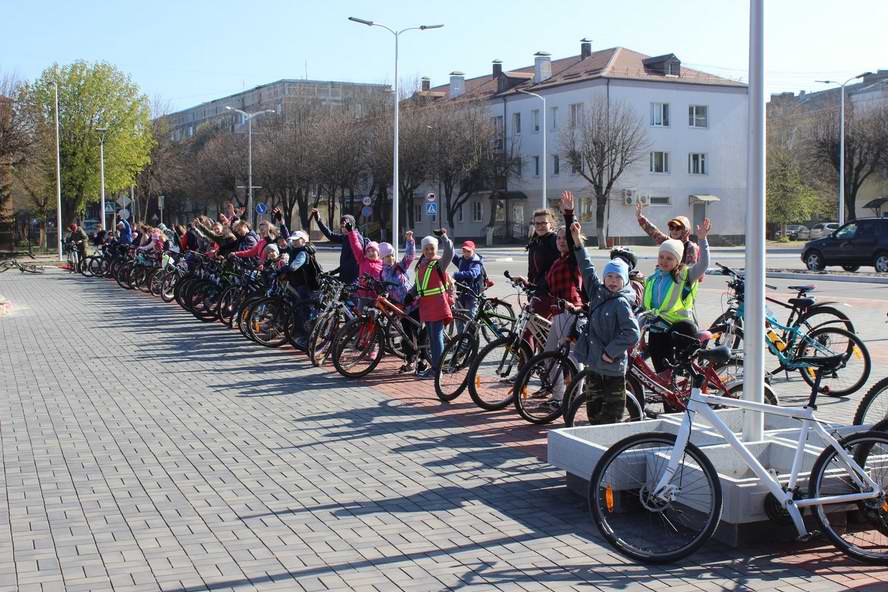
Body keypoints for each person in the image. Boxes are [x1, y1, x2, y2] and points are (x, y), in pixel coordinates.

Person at [570, 221, 641, 425]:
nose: (612, 280)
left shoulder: (621, 303)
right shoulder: (597, 292)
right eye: (609, 276)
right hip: (593, 366)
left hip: (613, 369)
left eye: (617, 277)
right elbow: (586, 267)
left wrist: (610, 353)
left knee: (612, 415)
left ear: (624, 281)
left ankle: (613, 450)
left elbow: (632, 333)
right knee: (593, 411)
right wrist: (577, 241)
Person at [534, 191, 586, 409]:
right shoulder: (559, 261)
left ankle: (574, 397)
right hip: (558, 313)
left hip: (571, 312)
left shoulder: (573, 259)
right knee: (548, 355)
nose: (561, 241)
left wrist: (569, 213)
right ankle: (558, 397)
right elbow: (546, 285)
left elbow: (574, 241)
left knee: (572, 359)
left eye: (565, 238)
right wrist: (531, 289)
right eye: (559, 238)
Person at [643, 218, 711, 373]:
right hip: (658, 328)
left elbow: (704, 264)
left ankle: (682, 379)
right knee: (660, 365)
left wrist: (702, 239)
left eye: (669, 258)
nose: (664, 261)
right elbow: (644, 308)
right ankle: (667, 385)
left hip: (680, 330)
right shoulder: (652, 279)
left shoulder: (685, 275)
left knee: (675, 365)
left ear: (678, 260)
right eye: (661, 257)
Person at [412, 230, 455, 378]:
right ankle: (434, 367)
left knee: (436, 338)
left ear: (436, 250)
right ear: (422, 250)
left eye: (432, 248)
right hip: (426, 306)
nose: (429, 251)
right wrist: (409, 295)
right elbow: (418, 286)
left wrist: (444, 237)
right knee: (431, 337)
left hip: (438, 305)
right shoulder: (421, 265)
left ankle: (438, 370)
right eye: (426, 249)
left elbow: (449, 253)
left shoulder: (439, 263)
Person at [379, 232, 418, 373]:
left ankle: (416, 361)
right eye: (387, 256)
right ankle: (411, 360)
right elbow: (383, 287)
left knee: (413, 334)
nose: (390, 258)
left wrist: (410, 242)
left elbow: (409, 257)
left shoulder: (398, 267)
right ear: (382, 258)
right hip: (400, 308)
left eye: (392, 255)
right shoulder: (382, 273)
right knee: (406, 336)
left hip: (413, 303)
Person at [311, 209, 367, 285]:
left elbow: (354, 263)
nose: (344, 229)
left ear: (352, 226)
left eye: (345, 226)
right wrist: (319, 220)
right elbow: (331, 235)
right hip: (345, 276)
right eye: (342, 227)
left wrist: (337, 272)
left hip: (353, 279)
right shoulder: (345, 237)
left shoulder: (357, 238)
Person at [635, 202, 700, 266]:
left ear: (685, 230)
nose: (674, 231)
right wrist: (640, 217)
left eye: (678, 228)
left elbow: (691, 271)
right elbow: (654, 232)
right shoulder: (669, 242)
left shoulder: (690, 247)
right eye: (672, 227)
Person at [525, 207, 561, 318]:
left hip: (551, 292)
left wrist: (543, 285)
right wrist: (529, 287)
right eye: (537, 223)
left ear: (551, 224)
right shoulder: (535, 242)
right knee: (535, 326)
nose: (540, 226)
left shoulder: (556, 241)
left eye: (543, 223)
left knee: (536, 328)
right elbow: (532, 269)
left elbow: (557, 267)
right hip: (537, 291)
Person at [451, 240, 485, 326]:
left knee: (470, 317)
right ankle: (461, 338)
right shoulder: (461, 260)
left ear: (473, 251)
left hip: (472, 293)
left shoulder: (476, 262)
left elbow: (473, 273)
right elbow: (452, 255)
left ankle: (471, 337)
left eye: (468, 251)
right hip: (461, 291)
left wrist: (457, 275)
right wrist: (448, 243)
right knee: (459, 317)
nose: (466, 253)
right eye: (464, 251)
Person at [346, 224, 382, 300]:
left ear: (378, 253)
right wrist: (351, 232)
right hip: (362, 296)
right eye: (368, 251)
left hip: (376, 298)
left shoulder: (382, 264)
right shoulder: (362, 260)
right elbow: (356, 245)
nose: (370, 253)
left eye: (373, 251)